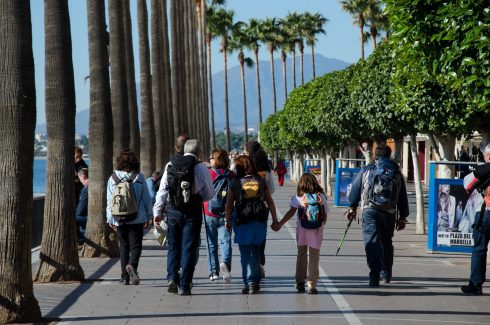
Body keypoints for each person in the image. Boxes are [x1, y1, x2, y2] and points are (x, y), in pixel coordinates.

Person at [153, 139, 214, 296]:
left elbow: (162, 190)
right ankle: (185, 285)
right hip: (192, 212)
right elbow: (209, 194)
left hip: (172, 210)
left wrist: (157, 212)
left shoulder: (170, 165)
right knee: (188, 248)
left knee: (173, 246)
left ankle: (172, 279)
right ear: (199, 152)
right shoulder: (200, 167)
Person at [348, 144, 409, 286]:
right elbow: (402, 196)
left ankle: (374, 276)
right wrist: (403, 217)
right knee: (386, 243)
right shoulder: (396, 171)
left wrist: (352, 207)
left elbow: (356, 188)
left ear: (375, 154)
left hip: (370, 210)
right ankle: (386, 274)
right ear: (389, 155)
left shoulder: (367, 169)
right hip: (389, 212)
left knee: (371, 242)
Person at [225, 155, 278, 294]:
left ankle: (248, 282)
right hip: (259, 219)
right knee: (256, 250)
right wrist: (275, 219)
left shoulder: (235, 182)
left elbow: (229, 205)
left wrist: (227, 220)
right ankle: (254, 281)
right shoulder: (260, 180)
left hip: (242, 219)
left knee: (245, 254)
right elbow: (270, 201)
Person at [272, 173, 328, 294]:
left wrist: (279, 223)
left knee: (301, 254)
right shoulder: (321, 196)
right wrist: (320, 225)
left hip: (302, 229)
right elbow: (325, 215)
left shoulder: (299, 197)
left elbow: (291, 212)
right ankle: (312, 285)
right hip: (317, 230)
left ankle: (300, 282)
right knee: (314, 256)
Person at [106, 149, 153, 286]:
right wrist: (149, 216)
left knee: (124, 247)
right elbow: (146, 199)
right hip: (136, 217)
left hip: (119, 218)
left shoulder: (113, 178)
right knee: (136, 245)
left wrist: (110, 218)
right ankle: (132, 265)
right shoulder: (139, 178)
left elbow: (109, 200)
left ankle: (124, 277)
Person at [461, 143, 490, 295]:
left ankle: (475, 285)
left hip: (485, 213)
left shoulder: (483, 169)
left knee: (479, 249)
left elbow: (467, 185)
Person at [203, 149, 235, 283]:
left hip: (209, 211)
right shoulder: (232, 175)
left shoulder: (208, 173)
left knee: (211, 243)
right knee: (225, 240)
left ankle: (213, 272)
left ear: (215, 160)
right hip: (226, 212)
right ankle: (225, 264)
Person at [245, 140, 275, 279]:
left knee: (248, 236)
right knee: (261, 234)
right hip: (262, 207)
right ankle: (260, 259)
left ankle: (253, 267)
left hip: (244, 207)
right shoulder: (265, 169)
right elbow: (272, 190)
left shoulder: (243, 165)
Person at [76, 168, 89, 245]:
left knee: (69, 218)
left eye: (79, 178)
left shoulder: (86, 189)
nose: (80, 181)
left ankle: (81, 239)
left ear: (83, 177)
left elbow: (80, 210)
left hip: (87, 218)